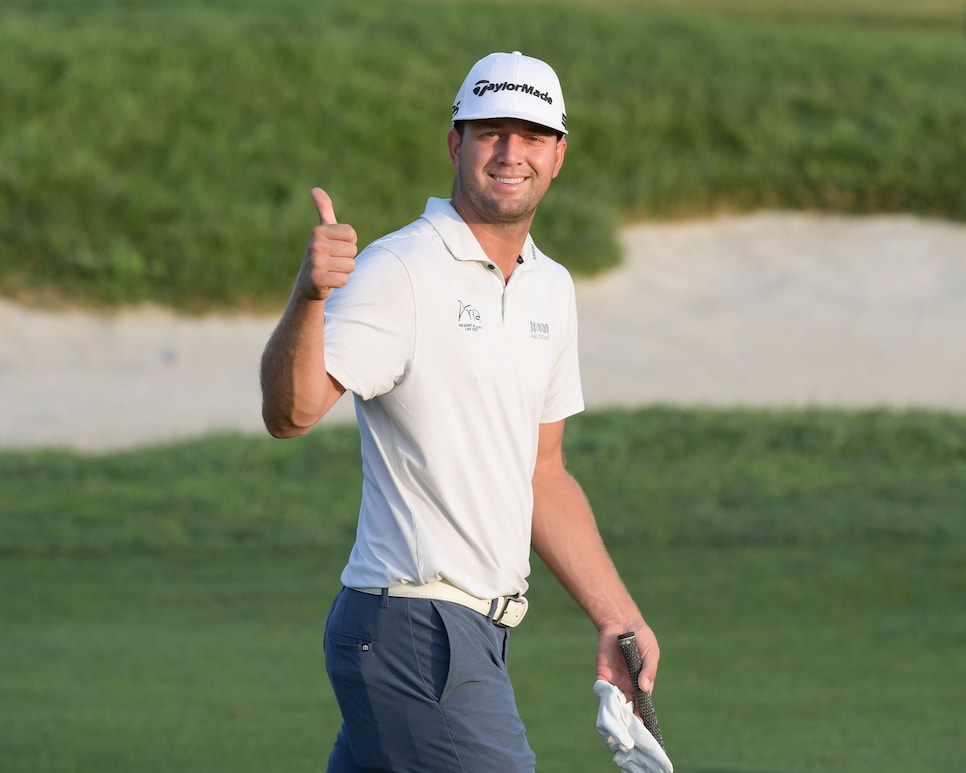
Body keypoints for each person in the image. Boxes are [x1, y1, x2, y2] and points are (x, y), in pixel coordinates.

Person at [260, 50, 660, 772]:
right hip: (415, 626)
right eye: (490, 133)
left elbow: (542, 473)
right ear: (456, 144)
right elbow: (292, 412)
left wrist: (617, 614)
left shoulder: (552, 289)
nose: (511, 153)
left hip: (470, 632)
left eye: (531, 135)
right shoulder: (402, 270)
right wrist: (310, 297)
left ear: (558, 154)